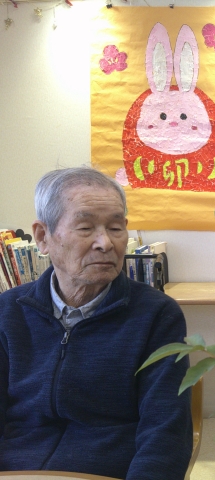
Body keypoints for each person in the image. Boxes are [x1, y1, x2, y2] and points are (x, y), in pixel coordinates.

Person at [0, 168, 192, 479]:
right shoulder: (8, 312)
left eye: (116, 228)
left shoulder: (156, 315)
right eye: (85, 227)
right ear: (43, 237)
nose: (105, 242)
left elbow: (166, 431)